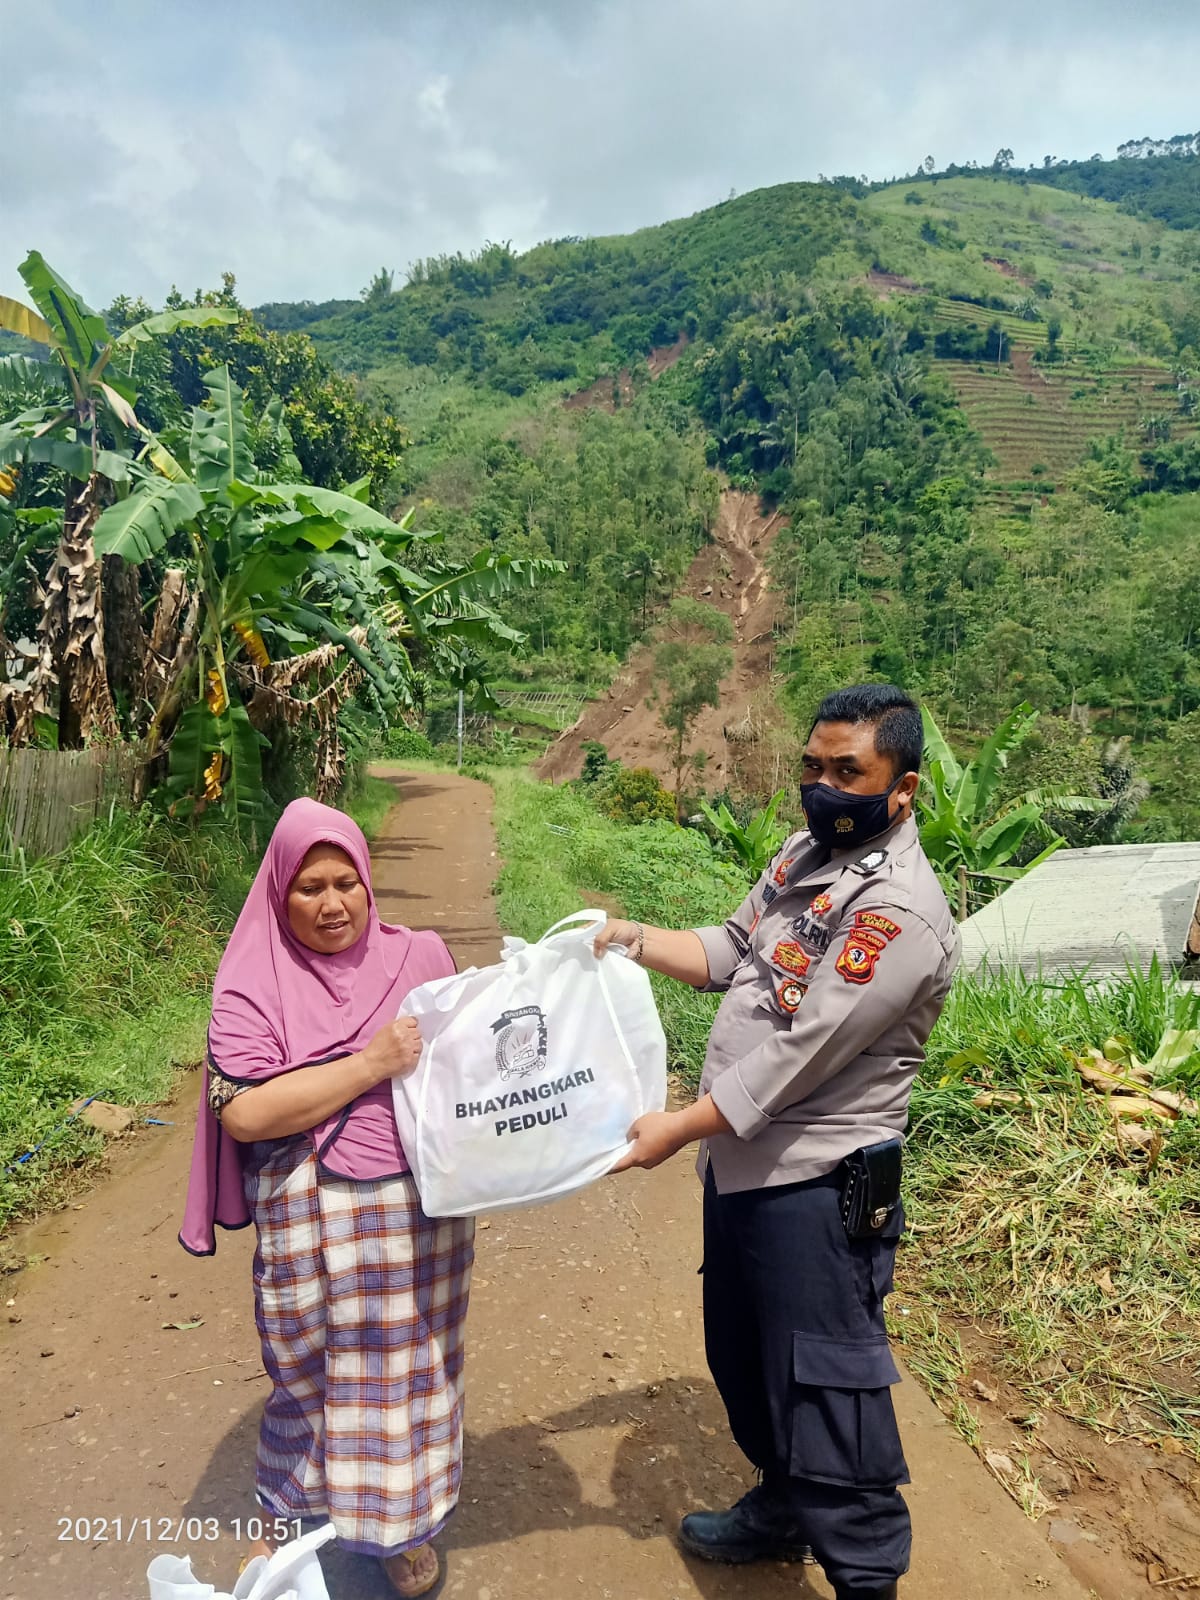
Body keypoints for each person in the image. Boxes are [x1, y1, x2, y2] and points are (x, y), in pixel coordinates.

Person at [598, 684, 959, 1600]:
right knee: (745, 1356)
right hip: (746, 1171)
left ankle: (864, 1572)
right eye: (814, 766)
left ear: (902, 788)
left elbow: (800, 1059)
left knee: (825, 1394)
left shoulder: (900, 914)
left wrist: (676, 1129)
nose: (823, 786)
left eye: (849, 772)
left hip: (818, 1185)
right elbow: (729, 950)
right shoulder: (805, 854)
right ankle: (780, 1506)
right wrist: (628, 938)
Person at [179, 798, 473, 1599]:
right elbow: (244, 1109)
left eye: (347, 882)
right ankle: (292, 1525)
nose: (333, 904)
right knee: (309, 1374)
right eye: (310, 888)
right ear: (280, 891)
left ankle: (399, 1532)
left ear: (369, 883)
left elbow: (472, 1068)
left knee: (412, 1371)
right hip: (307, 1207)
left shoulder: (419, 956)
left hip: (419, 1207)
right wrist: (370, 1064)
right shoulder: (251, 980)